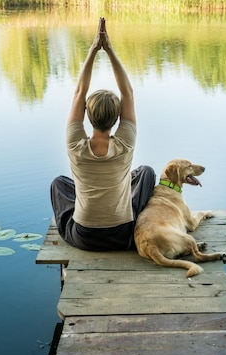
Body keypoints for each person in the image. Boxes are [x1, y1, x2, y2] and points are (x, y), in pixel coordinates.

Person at [50, 17, 156, 251]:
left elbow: (79, 92)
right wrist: (109, 49)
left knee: (59, 184)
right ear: (118, 117)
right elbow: (127, 92)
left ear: (86, 114)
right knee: (145, 173)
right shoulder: (125, 143)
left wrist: (93, 50)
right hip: (124, 235)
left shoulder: (75, 145)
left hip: (84, 237)